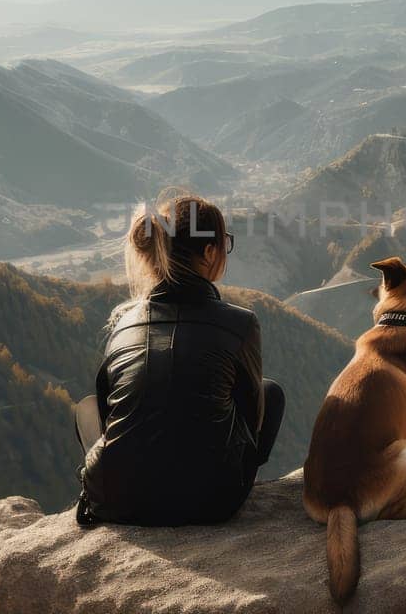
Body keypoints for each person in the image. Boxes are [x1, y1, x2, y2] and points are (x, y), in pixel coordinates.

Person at [72, 193, 285, 526]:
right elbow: (251, 416)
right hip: (211, 500)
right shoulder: (240, 323)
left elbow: (110, 407)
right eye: (225, 244)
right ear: (210, 251)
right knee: (270, 392)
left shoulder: (123, 323)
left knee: (86, 409)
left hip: (116, 500)